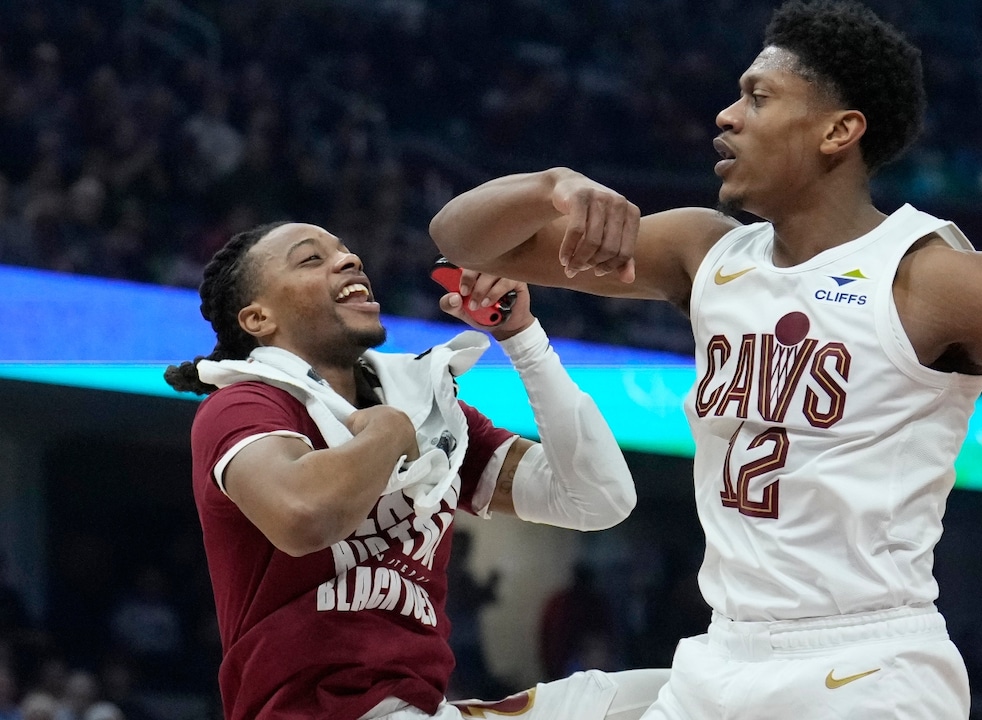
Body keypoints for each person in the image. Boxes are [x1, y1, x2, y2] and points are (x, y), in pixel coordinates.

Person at [428, 2, 982, 719]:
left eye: (758, 97)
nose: (726, 116)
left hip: (867, 664)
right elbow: (463, 241)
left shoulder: (933, 279)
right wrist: (552, 185)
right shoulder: (704, 252)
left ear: (838, 131)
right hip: (719, 655)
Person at [164, 221, 667, 720]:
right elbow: (303, 516)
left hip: (424, 710)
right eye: (311, 259)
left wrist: (522, 337)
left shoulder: (427, 412)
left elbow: (598, 499)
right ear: (258, 319)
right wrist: (388, 433)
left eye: (345, 250)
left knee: (690, 691)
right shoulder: (244, 405)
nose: (349, 260)